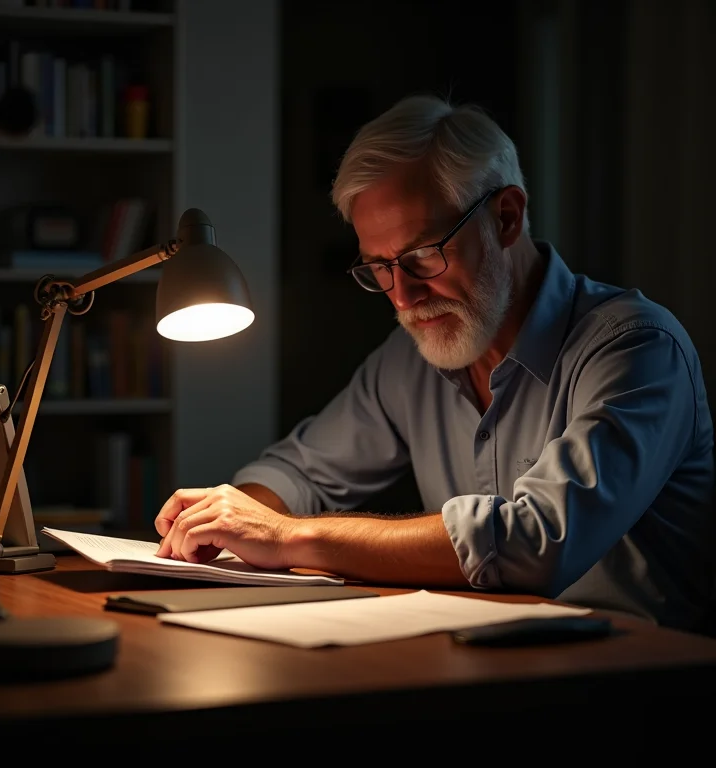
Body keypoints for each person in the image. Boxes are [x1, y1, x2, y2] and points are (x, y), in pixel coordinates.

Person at [155, 94, 715, 633]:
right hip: (480, 669)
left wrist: (288, 536)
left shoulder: (637, 347)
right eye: (379, 268)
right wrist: (229, 517)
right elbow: (300, 472)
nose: (402, 297)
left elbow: (538, 540)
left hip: (640, 683)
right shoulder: (411, 360)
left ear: (507, 218)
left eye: (422, 256)